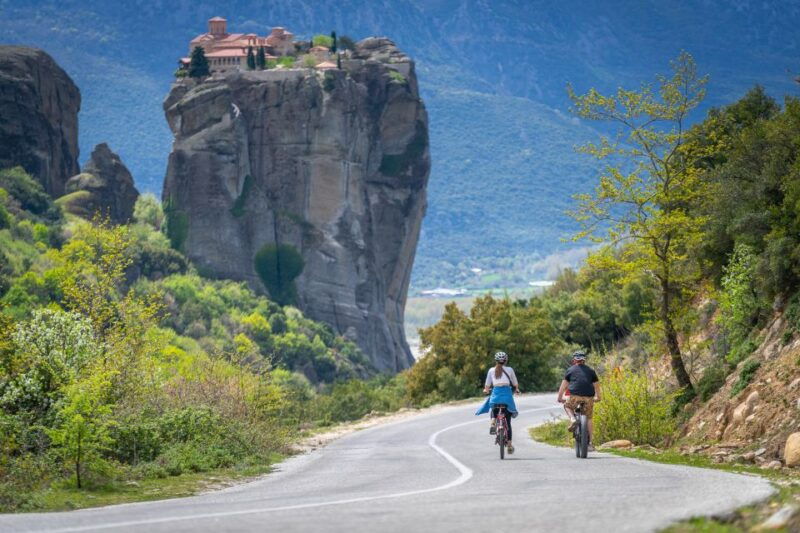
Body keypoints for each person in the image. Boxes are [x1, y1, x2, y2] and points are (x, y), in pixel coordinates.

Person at [475, 351, 520, 454]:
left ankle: (493, 422)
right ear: (506, 360)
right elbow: (515, 383)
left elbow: (487, 385)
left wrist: (486, 390)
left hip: (496, 394)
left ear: (496, 360)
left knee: (493, 406)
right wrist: (516, 389)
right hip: (507, 396)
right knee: (508, 422)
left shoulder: (491, 370)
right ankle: (509, 445)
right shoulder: (510, 370)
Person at [557, 350, 601, 449]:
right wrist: (598, 397)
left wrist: (560, 398)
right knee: (589, 418)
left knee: (567, 406)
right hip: (588, 397)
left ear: (574, 360)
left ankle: (572, 419)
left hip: (574, 396)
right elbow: (597, 387)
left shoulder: (570, 370)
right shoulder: (591, 371)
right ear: (584, 360)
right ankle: (590, 443)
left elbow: (563, 386)